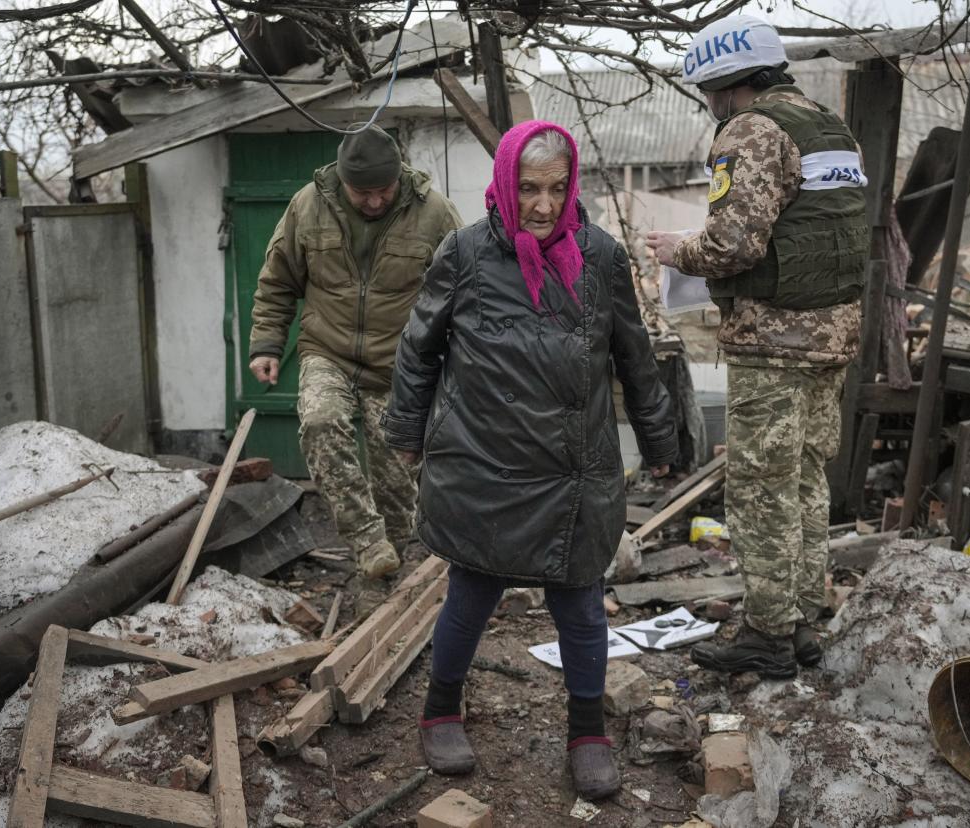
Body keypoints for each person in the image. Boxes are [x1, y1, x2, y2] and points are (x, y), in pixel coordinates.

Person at [381, 121, 677, 799]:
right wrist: (406, 429)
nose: (543, 204)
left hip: (573, 468)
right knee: (471, 595)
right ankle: (440, 710)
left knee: (579, 605)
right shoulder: (463, 252)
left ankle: (587, 730)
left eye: (556, 187)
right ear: (506, 186)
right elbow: (418, 348)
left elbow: (633, 354)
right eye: (529, 188)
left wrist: (661, 442)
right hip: (484, 461)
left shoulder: (601, 256)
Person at [646, 14, 869, 678]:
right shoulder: (829, 126)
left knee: (760, 490)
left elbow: (734, 243)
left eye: (709, 90)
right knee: (802, 481)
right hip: (832, 336)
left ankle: (768, 635)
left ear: (725, 83)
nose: (710, 103)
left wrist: (674, 250)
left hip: (774, 339)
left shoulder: (751, 130)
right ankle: (799, 619)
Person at [249, 125, 462, 579]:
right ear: (342, 180)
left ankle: (383, 573)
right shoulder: (308, 207)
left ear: (398, 176)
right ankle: (366, 540)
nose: (373, 201)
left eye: (382, 191)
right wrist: (268, 344)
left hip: (401, 363)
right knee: (321, 421)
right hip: (328, 349)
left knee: (396, 481)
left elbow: (467, 292)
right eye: (361, 192)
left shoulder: (435, 213)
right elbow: (278, 281)